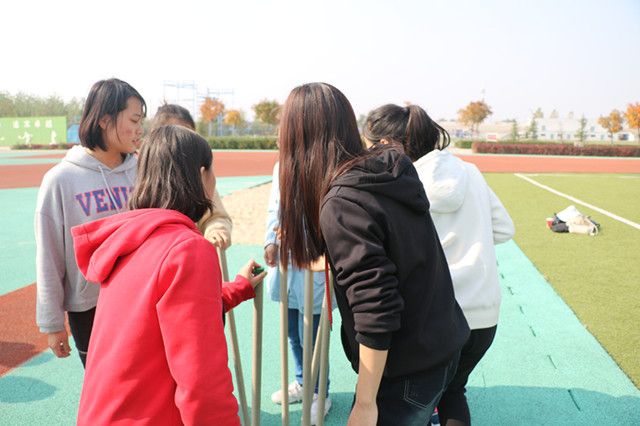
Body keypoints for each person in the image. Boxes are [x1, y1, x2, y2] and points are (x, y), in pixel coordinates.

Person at [276, 83, 470, 426]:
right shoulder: (384, 171)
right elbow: (393, 252)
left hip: (407, 366)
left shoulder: (342, 202)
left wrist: (365, 404)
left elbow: (376, 306)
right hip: (443, 341)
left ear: (296, 141)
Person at [72, 125, 266, 425]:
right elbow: (201, 382)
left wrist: (239, 288)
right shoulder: (187, 249)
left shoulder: (130, 240)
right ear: (202, 176)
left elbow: (158, 316)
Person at [364, 104, 515, 426]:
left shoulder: (399, 181)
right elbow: (504, 229)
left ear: (388, 144)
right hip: (484, 312)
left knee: (409, 401)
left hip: (436, 316)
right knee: (453, 391)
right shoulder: (470, 171)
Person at [35, 78, 145, 367]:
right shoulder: (61, 180)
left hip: (141, 298)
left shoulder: (143, 172)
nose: (140, 129)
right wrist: (52, 322)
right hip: (89, 308)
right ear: (105, 120)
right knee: (105, 393)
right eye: (134, 119)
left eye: (141, 120)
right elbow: (50, 255)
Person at [264, 160, 334, 423]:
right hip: (288, 260)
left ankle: (321, 392)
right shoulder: (282, 166)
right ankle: (302, 382)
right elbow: (275, 207)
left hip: (313, 260)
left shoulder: (324, 163)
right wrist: (271, 241)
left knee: (314, 335)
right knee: (292, 330)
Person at [149, 103, 233, 249]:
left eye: (189, 135)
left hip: (192, 252)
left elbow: (216, 216)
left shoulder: (200, 178)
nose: (184, 142)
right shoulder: (142, 179)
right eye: (175, 135)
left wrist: (216, 229)